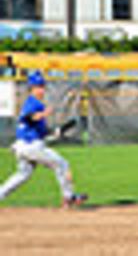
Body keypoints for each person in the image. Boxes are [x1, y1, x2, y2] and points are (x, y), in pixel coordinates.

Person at [0, 71, 88, 208]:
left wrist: (54, 133)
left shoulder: (35, 104)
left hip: (24, 147)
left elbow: (39, 130)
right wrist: (43, 114)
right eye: (38, 86)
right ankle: (69, 197)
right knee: (62, 164)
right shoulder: (32, 103)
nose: (41, 89)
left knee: (22, 174)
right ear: (31, 88)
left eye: (42, 86)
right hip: (30, 147)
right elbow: (30, 117)